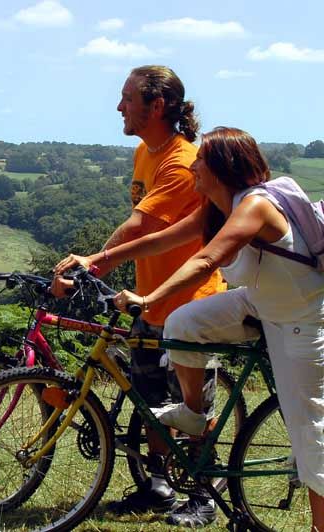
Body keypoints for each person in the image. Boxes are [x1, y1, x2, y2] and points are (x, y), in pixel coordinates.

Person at [66, 126, 324, 531]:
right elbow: (160, 240)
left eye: (200, 159)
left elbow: (206, 261)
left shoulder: (254, 207)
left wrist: (148, 298)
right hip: (260, 302)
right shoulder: (216, 206)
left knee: (311, 435)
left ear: (220, 168)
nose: (194, 165)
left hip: (300, 321)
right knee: (183, 321)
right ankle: (192, 412)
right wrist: (97, 259)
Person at [51, 65, 226, 527]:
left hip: (190, 302)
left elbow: (141, 226)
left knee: (191, 409)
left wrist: (95, 260)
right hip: (149, 298)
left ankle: (206, 496)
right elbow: (142, 228)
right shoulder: (144, 154)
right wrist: (104, 264)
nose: (119, 106)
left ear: (158, 105)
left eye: (128, 98)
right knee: (149, 400)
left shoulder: (182, 161)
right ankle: (159, 487)